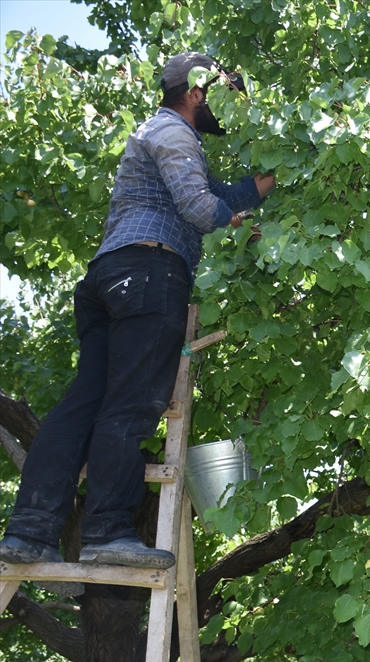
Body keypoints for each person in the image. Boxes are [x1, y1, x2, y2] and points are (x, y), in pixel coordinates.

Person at [0, 52, 274, 575]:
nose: (227, 105)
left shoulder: (167, 139)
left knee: (85, 403)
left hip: (113, 278)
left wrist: (274, 174)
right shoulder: (172, 132)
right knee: (131, 406)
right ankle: (108, 532)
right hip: (150, 274)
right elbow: (201, 208)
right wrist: (223, 218)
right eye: (222, 92)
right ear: (194, 92)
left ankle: (29, 532)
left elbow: (224, 195)